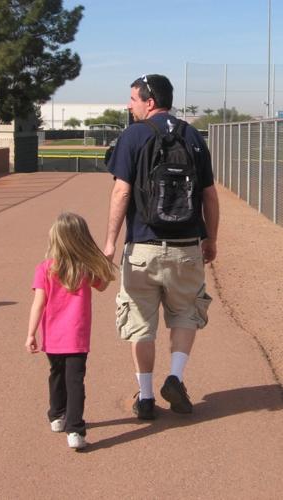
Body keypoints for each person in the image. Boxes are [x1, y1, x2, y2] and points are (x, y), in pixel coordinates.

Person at [104, 74, 219, 420]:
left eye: (133, 99)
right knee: (186, 312)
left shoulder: (133, 136)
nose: (129, 105)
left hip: (143, 247)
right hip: (187, 248)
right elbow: (209, 196)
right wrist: (210, 239)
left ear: (149, 102)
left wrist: (110, 241)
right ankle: (175, 377)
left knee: (140, 323)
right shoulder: (193, 136)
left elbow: (122, 192)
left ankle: (146, 396)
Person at [25, 212, 116, 449]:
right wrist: (106, 259)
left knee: (56, 375)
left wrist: (31, 333)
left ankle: (57, 415)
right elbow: (104, 285)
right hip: (76, 337)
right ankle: (74, 428)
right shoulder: (85, 269)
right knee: (75, 381)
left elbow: (38, 303)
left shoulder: (45, 268)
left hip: (52, 337)